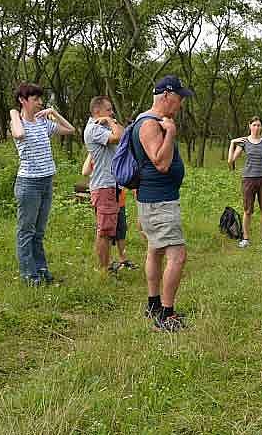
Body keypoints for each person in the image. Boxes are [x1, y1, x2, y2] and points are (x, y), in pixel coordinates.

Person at [133, 75, 193, 332]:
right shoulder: (150, 124)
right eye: (179, 98)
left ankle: (153, 304)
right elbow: (161, 162)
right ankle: (166, 315)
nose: (180, 104)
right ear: (166, 96)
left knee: (155, 251)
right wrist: (170, 133)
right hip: (159, 202)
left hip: (154, 199)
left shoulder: (146, 121)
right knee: (177, 255)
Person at [9, 83, 75, 286]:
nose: (40, 103)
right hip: (29, 184)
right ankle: (30, 276)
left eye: (40, 99)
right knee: (26, 232)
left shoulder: (43, 123)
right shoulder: (17, 123)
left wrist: (54, 113)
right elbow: (19, 135)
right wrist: (14, 113)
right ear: (23, 100)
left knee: (38, 232)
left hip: (46, 182)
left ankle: (42, 271)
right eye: (35, 99)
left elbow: (70, 129)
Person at [82, 96, 131, 278]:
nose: (112, 113)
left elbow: (124, 135)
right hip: (104, 187)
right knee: (104, 231)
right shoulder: (94, 129)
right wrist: (111, 121)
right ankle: (103, 270)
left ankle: (107, 265)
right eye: (109, 110)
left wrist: (110, 121)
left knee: (109, 229)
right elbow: (118, 136)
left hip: (112, 186)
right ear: (97, 112)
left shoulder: (103, 127)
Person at [227, 116, 262, 248]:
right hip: (248, 179)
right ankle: (245, 239)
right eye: (254, 125)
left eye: (259, 125)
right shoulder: (244, 142)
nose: (256, 127)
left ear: (261, 127)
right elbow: (231, 160)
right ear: (250, 126)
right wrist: (232, 143)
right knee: (247, 211)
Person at [81, 152, 138, 273]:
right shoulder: (97, 155)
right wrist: (91, 153)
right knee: (105, 231)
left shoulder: (115, 154)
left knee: (121, 230)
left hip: (119, 198)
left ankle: (123, 259)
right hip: (104, 198)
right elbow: (85, 172)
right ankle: (107, 263)